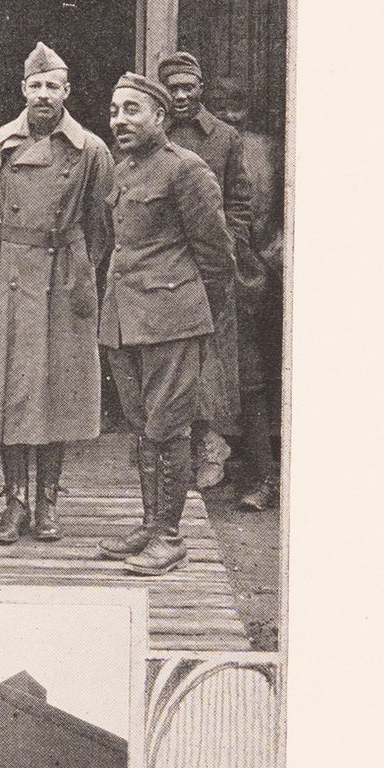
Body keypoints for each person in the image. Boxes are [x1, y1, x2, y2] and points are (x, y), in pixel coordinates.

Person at [0, 42, 112, 543]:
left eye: (53, 86)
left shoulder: (91, 149)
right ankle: (13, 503)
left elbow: (101, 226)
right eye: (35, 86)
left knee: (55, 390)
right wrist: (6, 257)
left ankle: (47, 504)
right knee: (12, 388)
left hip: (65, 274)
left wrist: (77, 269)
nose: (43, 95)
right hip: (10, 267)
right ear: (22, 90)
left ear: (67, 92)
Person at [98, 73, 234, 575]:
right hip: (126, 318)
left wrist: (194, 316)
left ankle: (171, 537)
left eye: (133, 110)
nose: (120, 120)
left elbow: (216, 256)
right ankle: (151, 523)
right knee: (142, 426)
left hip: (171, 321)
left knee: (169, 427)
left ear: (160, 117)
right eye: (115, 111)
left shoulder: (187, 170)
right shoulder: (124, 169)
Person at [156, 50, 250, 489]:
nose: (180, 96)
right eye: (172, 88)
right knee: (173, 359)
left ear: (200, 90)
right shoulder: (153, 133)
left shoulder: (225, 138)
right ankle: (172, 451)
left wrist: (227, 250)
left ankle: (212, 450)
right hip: (165, 263)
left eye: (187, 88)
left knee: (213, 361)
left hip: (210, 264)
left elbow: (239, 201)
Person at [210, 75, 283, 510]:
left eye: (237, 104)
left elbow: (284, 207)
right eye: (221, 105)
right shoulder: (198, 145)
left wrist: (269, 257)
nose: (230, 114)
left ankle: (263, 476)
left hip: (252, 274)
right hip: (198, 274)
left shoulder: (267, 150)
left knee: (251, 376)